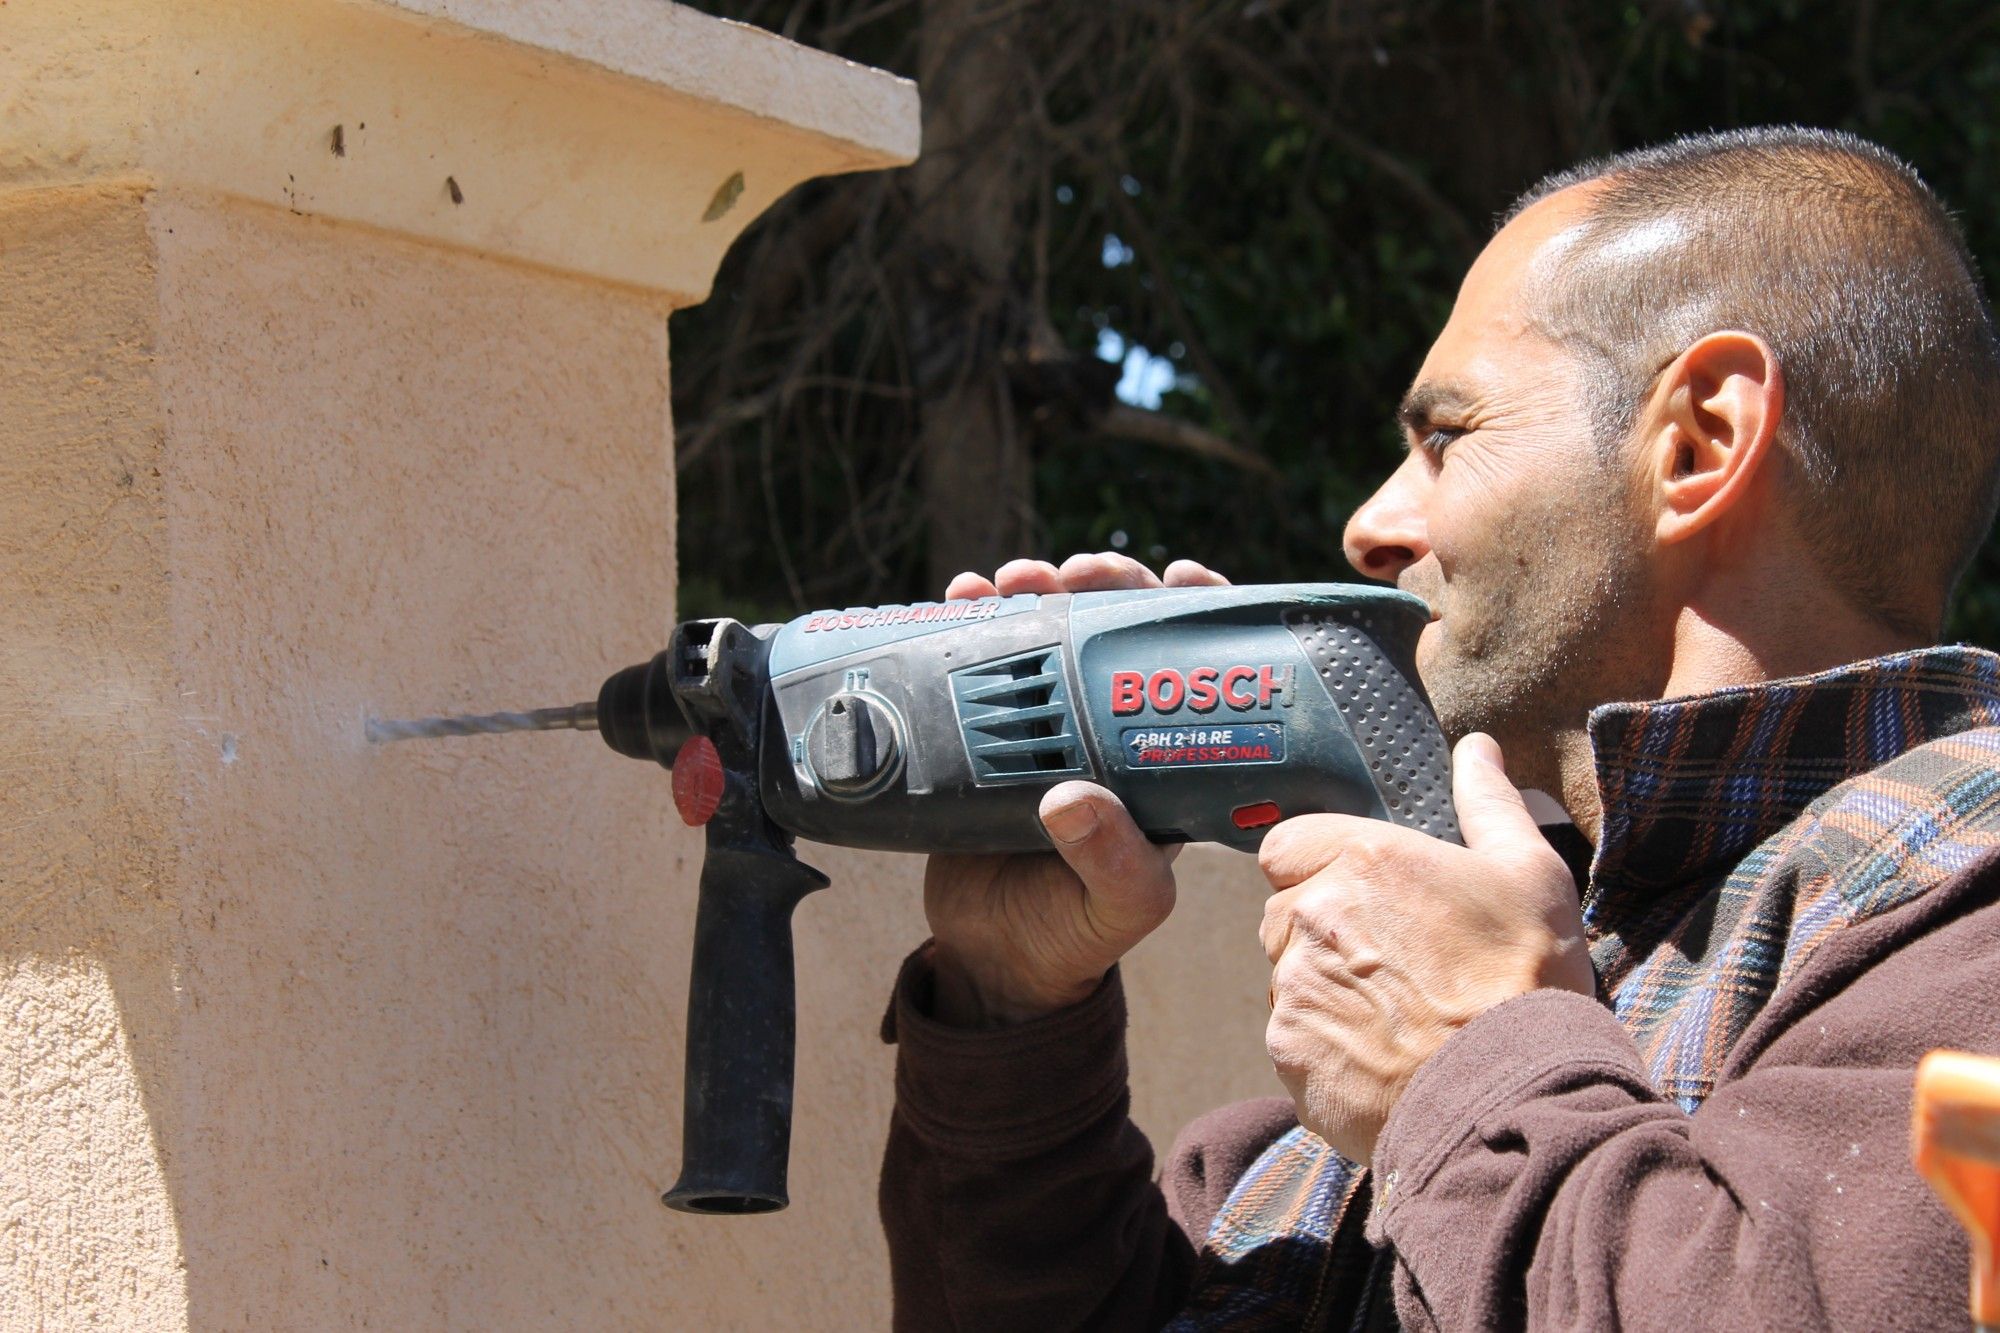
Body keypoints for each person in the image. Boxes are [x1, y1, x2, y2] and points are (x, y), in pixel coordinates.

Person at [876, 127, 2000, 1329]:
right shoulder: (1296, 1149)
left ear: (1697, 441)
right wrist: (1011, 1018)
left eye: (1443, 436)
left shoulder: (1963, 929)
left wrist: (1470, 1067)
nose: (1369, 525)